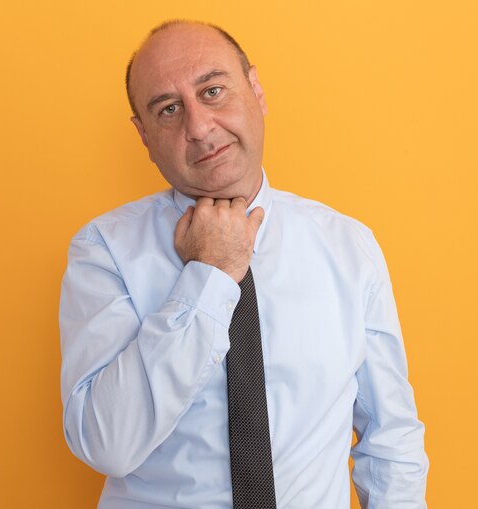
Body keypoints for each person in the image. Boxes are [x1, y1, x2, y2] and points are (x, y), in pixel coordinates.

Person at [59, 20, 429, 508]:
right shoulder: (103, 250)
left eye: (212, 91)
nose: (199, 127)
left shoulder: (347, 245)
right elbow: (108, 444)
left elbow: (390, 437)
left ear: (255, 90)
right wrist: (208, 276)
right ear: (144, 136)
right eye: (168, 110)